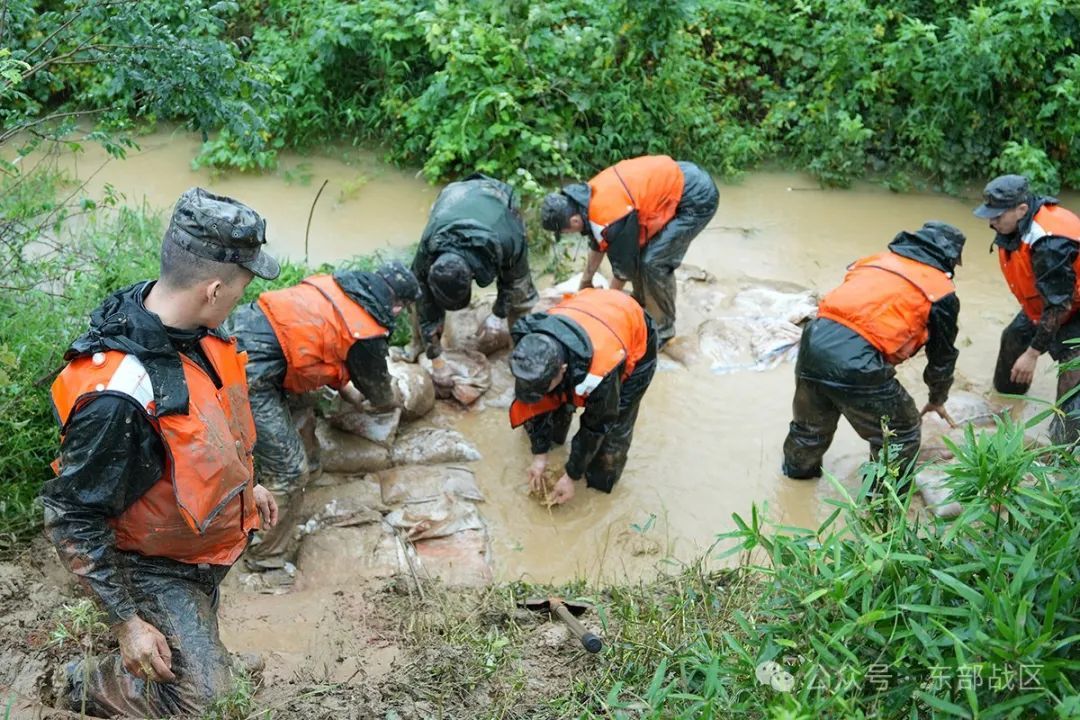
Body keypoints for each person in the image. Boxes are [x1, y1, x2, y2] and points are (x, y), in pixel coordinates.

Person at [42, 187, 281, 716]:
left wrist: (248, 484)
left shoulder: (197, 331)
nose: (241, 299)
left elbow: (210, 427)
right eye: (242, 287)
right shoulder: (121, 397)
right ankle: (80, 682)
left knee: (202, 660)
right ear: (214, 289)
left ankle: (200, 656)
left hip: (197, 546)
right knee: (209, 705)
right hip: (151, 564)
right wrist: (127, 624)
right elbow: (71, 513)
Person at [225, 261, 421, 556]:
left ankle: (310, 470)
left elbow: (319, 345)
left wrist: (346, 388)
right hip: (251, 370)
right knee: (290, 473)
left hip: (241, 331)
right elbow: (380, 394)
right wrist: (395, 398)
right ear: (397, 306)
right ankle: (264, 555)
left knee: (304, 404)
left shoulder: (340, 287)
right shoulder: (367, 331)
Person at [782, 221, 966, 483]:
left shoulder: (873, 263)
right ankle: (884, 502)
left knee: (809, 431)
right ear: (950, 259)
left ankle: (794, 485)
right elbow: (942, 357)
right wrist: (937, 398)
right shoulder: (940, 292)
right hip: (856, 360)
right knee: (901, 432)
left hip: (813, 341)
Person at [539, 154, 719, 346]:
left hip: (695, 197)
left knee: (654, 262)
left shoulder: (609, 215)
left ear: (574, 221)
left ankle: (663, 330)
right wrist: (586, 282)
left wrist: (604, 307)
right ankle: (642, 303)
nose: (568, 234)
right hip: (675, 180)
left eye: (565, 231)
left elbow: (624, 268)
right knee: (642, 253)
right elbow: (598, 242)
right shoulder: (584, 199)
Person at [508, 288, 658, 504]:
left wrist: (572, 475)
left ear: (563, 369)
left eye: (544, 385)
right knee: (549, 418)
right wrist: (539, 455)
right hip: (586, 312)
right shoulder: (530, 350)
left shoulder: (601, 373)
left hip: (632, 330)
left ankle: (598, 489)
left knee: (611, 438)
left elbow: (596, 425)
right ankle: (553, 445)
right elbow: (534, 404)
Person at [975, 174, 1080, 446]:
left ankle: (1063, 452)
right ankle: (1004, 404)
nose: (991, 223)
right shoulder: (1014, 227)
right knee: (1013, 338)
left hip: (1072, 309)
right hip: (1047, 303)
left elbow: (1060, 305)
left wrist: (1033, 354)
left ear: (1022, 209)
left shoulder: (1050, 243)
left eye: (997, 216)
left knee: (1072, 391)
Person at [410, 173, 538, 371]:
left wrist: (499, 314)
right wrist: (434, 354)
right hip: (454, 197)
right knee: (417, 299)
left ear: (471, 275)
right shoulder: (430, 245)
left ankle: (521, 354)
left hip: (497, 200)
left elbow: (513, 282)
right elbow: (422, 297)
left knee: (520, 299)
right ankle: (418, 345)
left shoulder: (507, 238)